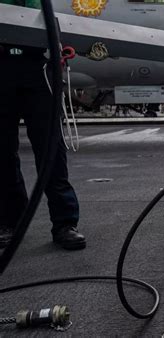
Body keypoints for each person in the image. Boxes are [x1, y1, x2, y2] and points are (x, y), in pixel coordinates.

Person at [0, 0, 86, 250]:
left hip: (37, 65)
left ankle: (64, 223)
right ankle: (10, 220)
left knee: (50, 149)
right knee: (2, 151)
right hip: (2, 65)